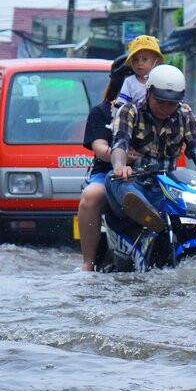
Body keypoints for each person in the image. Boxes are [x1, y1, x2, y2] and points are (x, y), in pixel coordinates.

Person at [108, 64, 196, 231]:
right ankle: (150, 216)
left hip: (170, 188)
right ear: (148, 92)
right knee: (115, 179)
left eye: (171, 103)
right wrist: (120, 167)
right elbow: (120, 142)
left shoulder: (185, 114)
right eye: (160, 101)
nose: (165, 107)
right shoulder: (130, 110)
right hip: (138, 184)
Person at [76, 59, 131, 271]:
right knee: (91, 196)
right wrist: (122, 157)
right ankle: (88, 263)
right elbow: (100, 148)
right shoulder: (102, 112)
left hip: (149, 172)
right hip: (109, 173)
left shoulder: (157, 109)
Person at [117, 35, 164, 110]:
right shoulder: (129, 82)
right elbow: (121, 104)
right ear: (131, 62)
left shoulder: (161, 80)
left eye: (145, 59)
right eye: (135, 59)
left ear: (156, 61)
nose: (139, 63)